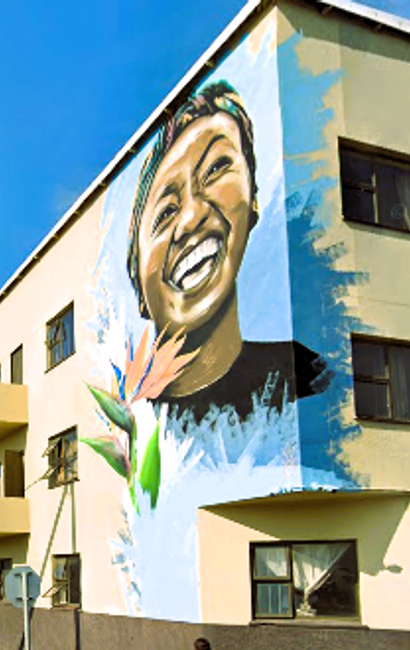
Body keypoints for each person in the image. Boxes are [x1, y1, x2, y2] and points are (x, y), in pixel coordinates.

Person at [125, 81, 326, 423]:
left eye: (216, 169)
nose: (191, 217)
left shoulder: (308, 377)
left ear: (253, 201)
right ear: (138, 286)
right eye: (165, 212)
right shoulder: (132, 423)